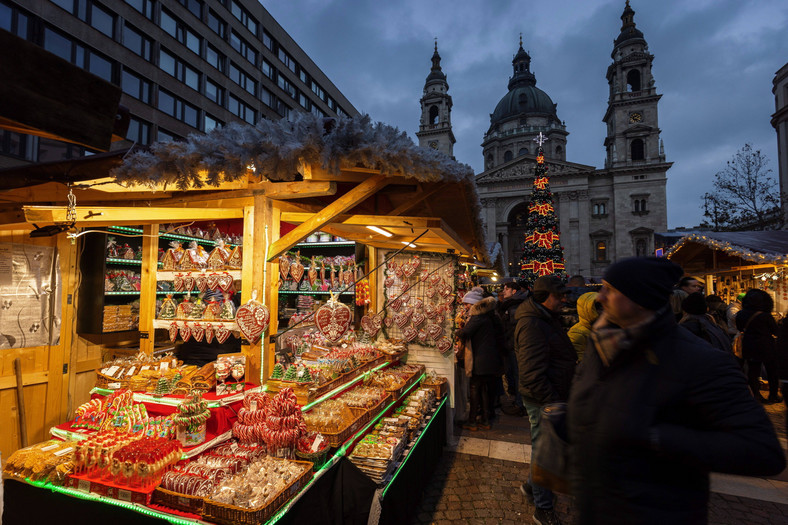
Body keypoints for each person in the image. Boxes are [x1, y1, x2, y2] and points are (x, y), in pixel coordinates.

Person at [569, 257, 785, 524]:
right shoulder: (603, 343)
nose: (600, 297)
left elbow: (762, 452)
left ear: (639, 299)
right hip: (602, 508)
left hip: (658, 513)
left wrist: (655, 437)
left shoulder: (702, 360)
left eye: (610, 289)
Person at [514, 275, 577, 525]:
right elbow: (531, 373)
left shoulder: (544, 317)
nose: (563, 299)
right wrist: (552, 403)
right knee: (544, 453)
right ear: (544, 297)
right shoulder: (532, 323)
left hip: (550, 395)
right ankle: (542, 507)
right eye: (558, 295)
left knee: (544, 449)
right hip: (543, 399)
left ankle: (531, 487)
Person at [458, 286, 504, 431]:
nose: (465, 306)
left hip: (480, 360)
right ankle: (485, 420)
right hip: (490, 359)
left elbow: (465, 333)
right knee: (484, 390)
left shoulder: (477, 317)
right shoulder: (489, 315)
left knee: (474, 389)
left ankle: (471, 421)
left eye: (467, 304)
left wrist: (458, 329)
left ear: (475, 304)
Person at [736, 289, 782, 404]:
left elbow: (740, 328)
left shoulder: (741, 314)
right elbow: (775, 331)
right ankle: (773, 395)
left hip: (749, 344)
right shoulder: (765, 315)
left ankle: (756, 395)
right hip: (766, 345)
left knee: (753, 371)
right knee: (772, 371)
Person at [497, 281, 529, 416]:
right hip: (511, 345)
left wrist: (507, 341)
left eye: (506, 289)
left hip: (515, 347)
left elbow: (513, 329)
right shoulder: (511, 304)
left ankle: (520, 404)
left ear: (514, 291)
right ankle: (517, 400)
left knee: (517, 375)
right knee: (513, 374)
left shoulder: (515, 306)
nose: (504, 291)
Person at [567, 291, 600, 361]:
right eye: (599, 308)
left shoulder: (602, 328)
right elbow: (578, 361)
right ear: (589, 310)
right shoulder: (577, 333)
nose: (603, 311)